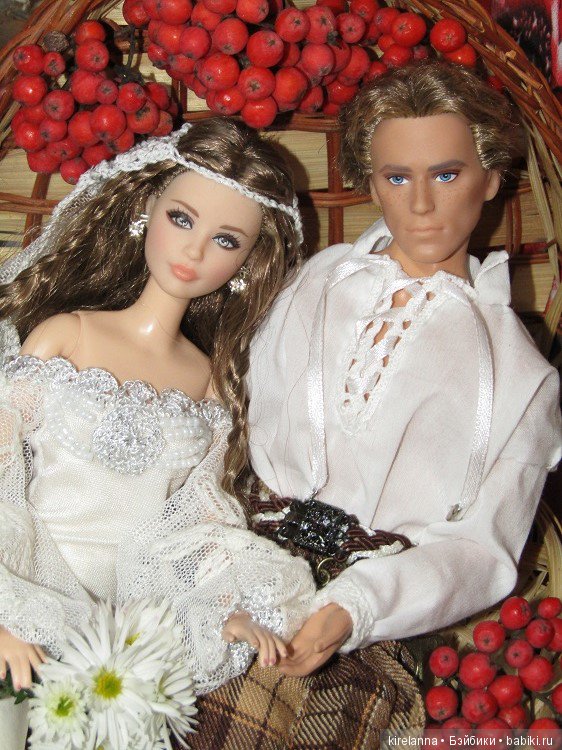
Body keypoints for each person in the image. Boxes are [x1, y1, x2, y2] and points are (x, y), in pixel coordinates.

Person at [245, 62, 562, 681]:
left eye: (446, 174)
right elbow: (243, 411)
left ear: (491, 179)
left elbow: (481, 552)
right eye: (397, 177)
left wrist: (355, 608)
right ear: (371, 183)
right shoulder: (316, 282)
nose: (420, 204)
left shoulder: (520, 377)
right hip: (235, 563)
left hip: (371, 626)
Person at [0, 117, 319, 698]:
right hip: (28, 577)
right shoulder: (67, 335)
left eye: (227, 241)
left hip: (135, 612)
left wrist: (230, 607)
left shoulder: (208, 382)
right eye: (182, 219)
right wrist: (6, 609)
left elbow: (200, 517)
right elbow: (3, 469)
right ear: (148, 208)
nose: (194, 250)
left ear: (247, 263)